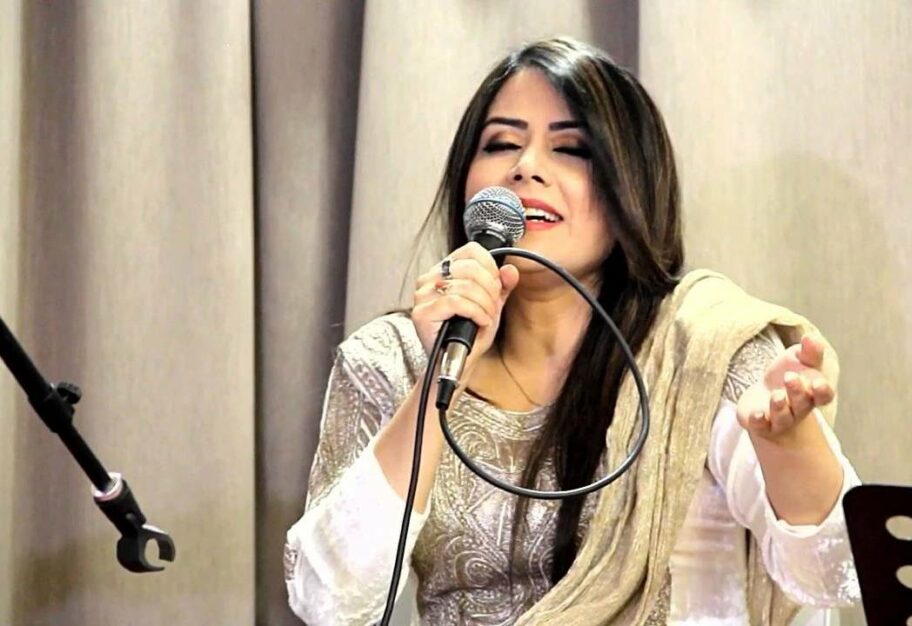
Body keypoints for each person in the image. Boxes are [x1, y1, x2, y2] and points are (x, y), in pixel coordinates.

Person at [284, 37, 861, 626]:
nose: (526, 166)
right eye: (502, 144)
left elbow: (836, 569)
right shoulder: (390, 358)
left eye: (572, 149)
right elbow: (330, 604)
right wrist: (436, 380)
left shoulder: (701, 348)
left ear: (629, 189)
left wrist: (787, 446)